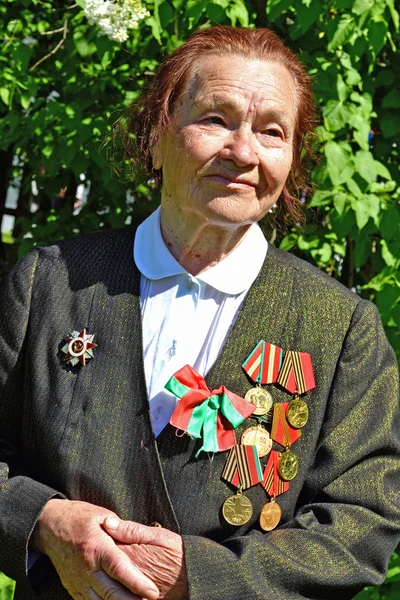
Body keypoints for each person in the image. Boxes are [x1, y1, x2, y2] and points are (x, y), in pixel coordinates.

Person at [0, 26, 399, 600]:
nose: (242, 151)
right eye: (215, 119)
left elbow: (365, 523)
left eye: (271, 132)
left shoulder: (342, 328)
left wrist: (201, 575)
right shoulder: (50, 284)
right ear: (157, 134)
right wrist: (41, 521)